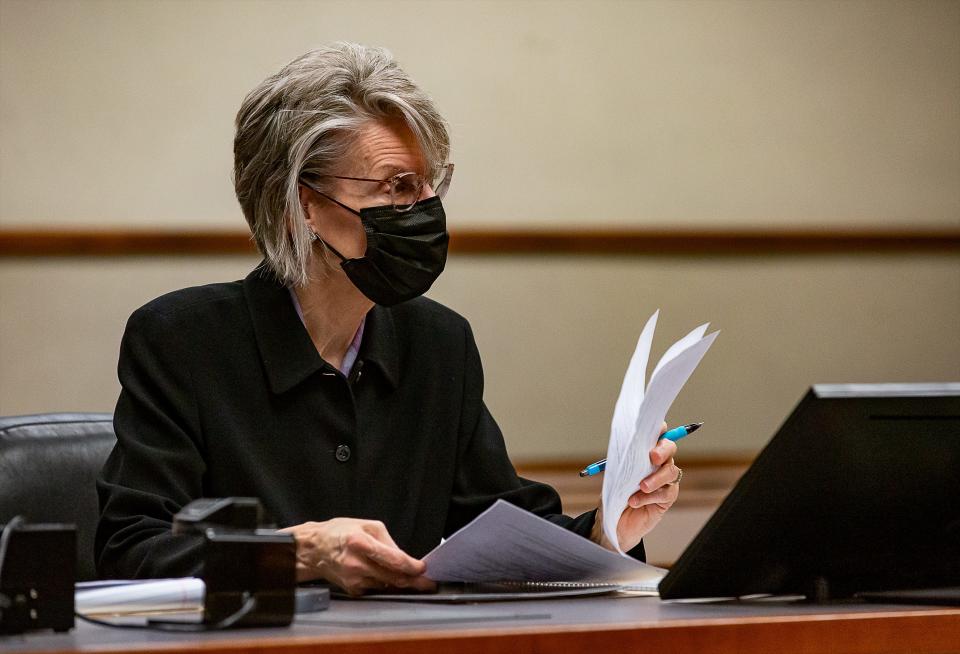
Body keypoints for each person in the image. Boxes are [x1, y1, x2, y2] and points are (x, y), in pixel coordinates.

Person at [95, 43, 681, 595]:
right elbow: (131, 551)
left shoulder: (438, 342)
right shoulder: (181, 340)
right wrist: (298, 553)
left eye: (430, 182)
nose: (425, 205)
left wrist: (612, 527)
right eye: (397, 186)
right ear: (302, 205)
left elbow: (503, 528)